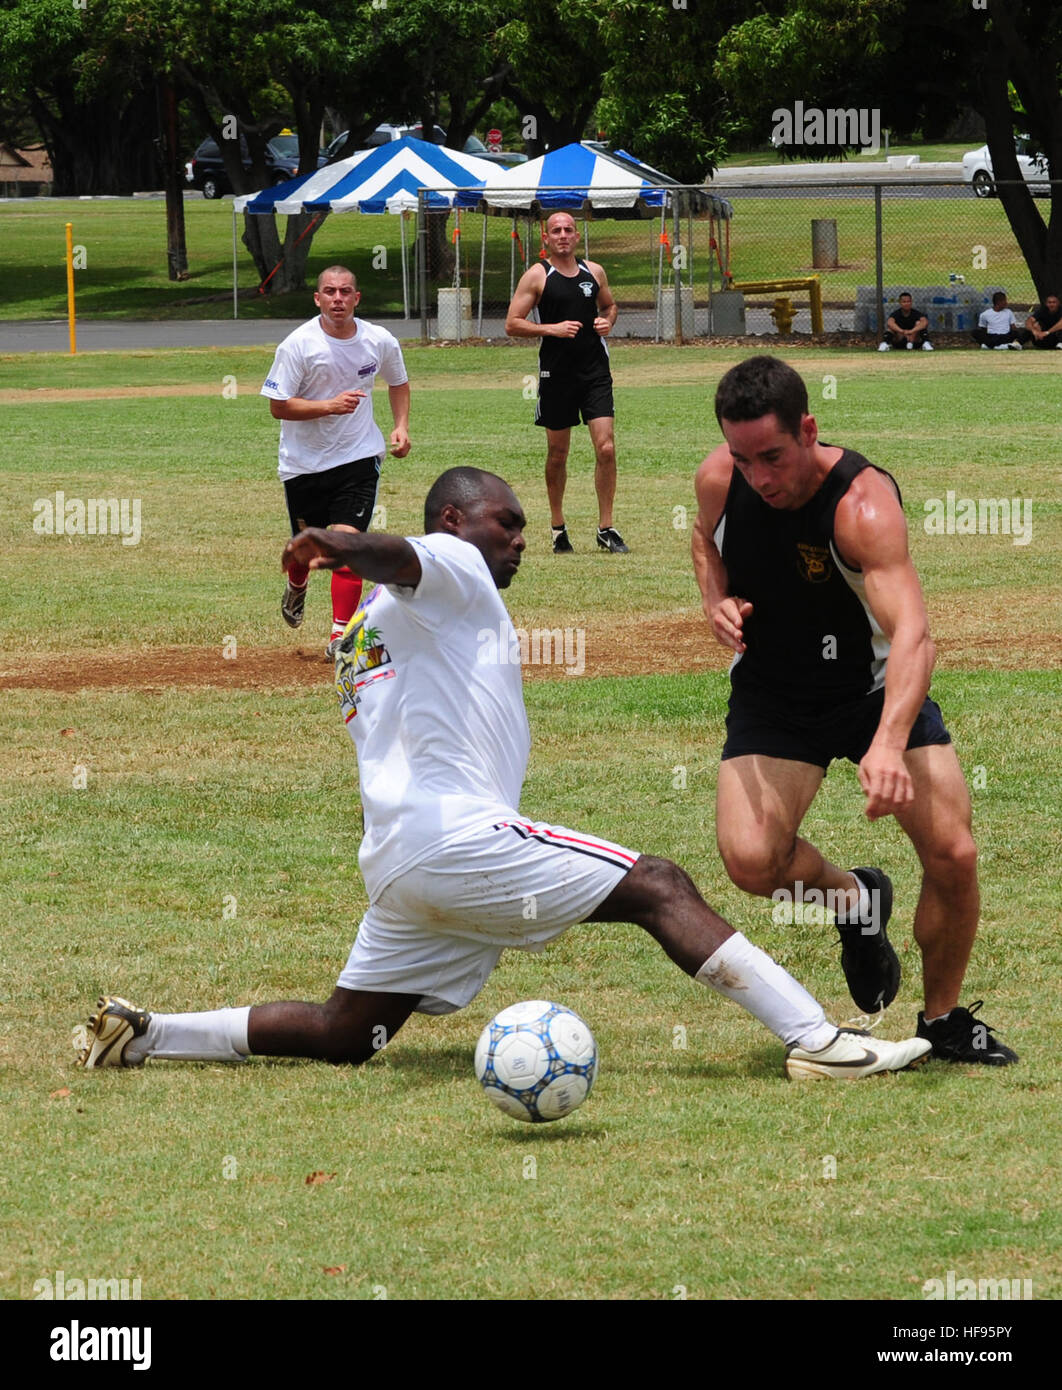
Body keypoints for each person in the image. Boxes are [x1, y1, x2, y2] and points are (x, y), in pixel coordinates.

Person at [77, 467, 932, 1083]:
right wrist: (333, 542)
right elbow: (395, 553)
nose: (519, 540)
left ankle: (148, 1036)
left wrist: (345, 558)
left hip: (400, 864)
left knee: (347, 1033)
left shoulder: (371, 629)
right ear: (453, 522)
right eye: (506, 523)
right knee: (660, 886)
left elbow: (390, 573)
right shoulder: (451, 572)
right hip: (457, 838)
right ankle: (821, 1042)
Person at [691, 356, 1017, 1066]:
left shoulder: (861, 506)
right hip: (776, 693)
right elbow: (702, 540)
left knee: (954, 854)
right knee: (751, 860)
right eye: (745, 460)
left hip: (874, 693)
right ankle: (855, 901)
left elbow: (913, 636)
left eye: (773, 457)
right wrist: (714, 597)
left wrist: (889, 742)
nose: (760, 478)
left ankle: (944, 1020)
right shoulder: (721, 477)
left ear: (808, 429)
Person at [262, 264, 411, 658]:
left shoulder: (378, 340)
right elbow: (278, 406)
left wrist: (400, 427)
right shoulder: (298, 345)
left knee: (345, 545)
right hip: (303, 465)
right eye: (330, 292)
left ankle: (339, 637)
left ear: (357, 298)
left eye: (346, 291)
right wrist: (329, 406)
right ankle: (296, 587)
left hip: (358, 456)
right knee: (306, 551)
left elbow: (398, 381)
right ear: (318, 298)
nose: (338, 298)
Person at [505, 212, 628, 554]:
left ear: (577, 237)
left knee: (606, 447)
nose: (562, 235)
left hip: (595, 373)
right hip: (556, 375)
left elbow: (610, 306)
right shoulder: (538, 276)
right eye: (556, 230)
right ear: (546, 238)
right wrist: (551, 329)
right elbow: (512, 324)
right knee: (558, 453)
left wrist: (607, 321)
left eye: (568, 230)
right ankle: (559, 529)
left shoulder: (594, 272)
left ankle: (606, 527)